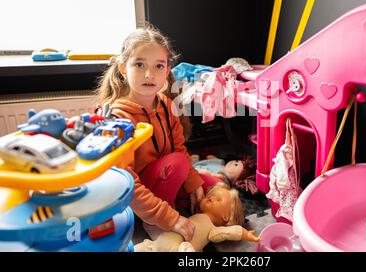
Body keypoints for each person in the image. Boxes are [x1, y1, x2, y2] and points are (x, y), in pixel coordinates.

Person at [95, 25, 210, 242]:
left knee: (211, 185)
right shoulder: (116, 117)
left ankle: (175, 201)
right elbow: (125, 181)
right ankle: (150, 222)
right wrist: (168, 218)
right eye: (139, 64)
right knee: (178, 164)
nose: (150, 74)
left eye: (159, 66)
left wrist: (193, 182)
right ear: (122, 69)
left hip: (161, 179)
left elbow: (179, 147)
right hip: (132, 196)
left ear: (167, 71)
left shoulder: (166, 104)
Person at [134, 182, 261, 252]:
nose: (211, 197)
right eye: (210, 195)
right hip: (156, 244)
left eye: (219, 199)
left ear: (226, 216)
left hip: (181, 247)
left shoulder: (212, 230)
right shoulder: (193, 215)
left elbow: (227, 232)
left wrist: (245, 234)